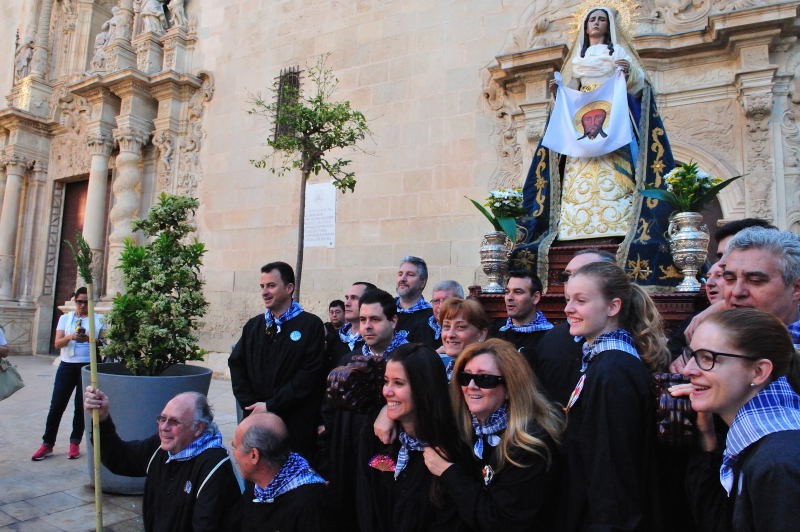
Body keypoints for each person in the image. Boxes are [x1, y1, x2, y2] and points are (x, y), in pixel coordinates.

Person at [514, 6, 675, 289]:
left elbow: (642, 88)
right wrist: (558, 93)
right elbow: (570, 96)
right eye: (592, 20)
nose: (596, 23)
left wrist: (628, 76)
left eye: (601, 19)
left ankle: (618, 226)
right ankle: (573, 228)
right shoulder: (577, 60)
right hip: (581, 129)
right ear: (585, 27)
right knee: (578, 178)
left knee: (614, 175)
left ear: (610, 25)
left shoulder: (620, 56)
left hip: (612, 126)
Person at [561, 261, 669, 531]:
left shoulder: (612, 371)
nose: (568, 309)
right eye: (567, 299)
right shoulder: (604, 362)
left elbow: (612, 466)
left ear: (613, 307)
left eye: (580, 300)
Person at [670, 309, 800, 532]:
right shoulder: (758, 444)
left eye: (707, 358)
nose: (689, 369)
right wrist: (708, 440)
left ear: (759, 371)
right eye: (691, 355)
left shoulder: (777, 463)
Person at [423, 338, 564, 531]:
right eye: (465, 377)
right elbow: (416, 403)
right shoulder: (467, 426)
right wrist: (386, 415)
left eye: (485, 379)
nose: (471, 386)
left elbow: (501, 522)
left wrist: (449, 473)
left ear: (509, 388)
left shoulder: (530, 445)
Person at [84, 388, 240, 531]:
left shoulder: (215, 466)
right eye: (162, 418)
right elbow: (119, 459)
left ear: (198, 428)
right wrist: (102, 418)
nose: (164, 427)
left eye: (174, 421)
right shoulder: (161, 447)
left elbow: (206, 525)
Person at [322, 288, 408, 531]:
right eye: (363, 319)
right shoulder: (348, 360)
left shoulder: (409, 360)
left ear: (393, 321)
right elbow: (330, 412)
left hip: (388, 458)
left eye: (375, 319)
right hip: (347, 456)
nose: (367, 326)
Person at [356, 343, 467, 531]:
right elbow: (366, 503)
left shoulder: (452, 445)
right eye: (386, 381)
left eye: (398, 383)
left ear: (424, 387)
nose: (387, 391)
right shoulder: (375, 434)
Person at [228, 262, 326, 458]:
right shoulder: (254, 326)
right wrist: (252, 406)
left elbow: (309, 375)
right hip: (257, 420)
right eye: (262, 286)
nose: (265, 291)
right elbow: (237, 365)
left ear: (289, 288)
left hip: (295, 425)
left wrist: (272, 405)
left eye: (271, 285)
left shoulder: (310, 325)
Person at [31, 287, 106, 461]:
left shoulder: (99, 320)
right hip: (67, 365)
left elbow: (104, 343)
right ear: (75, 302)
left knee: (81, 407)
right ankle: (47, 443)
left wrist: (89, 339)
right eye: (79, 301)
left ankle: (74, 443)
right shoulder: (65, 319)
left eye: (86, 302)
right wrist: (71, 337)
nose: (82, 305)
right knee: (57, 405)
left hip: (87, 366)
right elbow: (57, 343)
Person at [534, 248, 615, 405]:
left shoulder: (628, 346)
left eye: (582, 274)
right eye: (566, 276)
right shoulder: (552, 339)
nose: (571, 282)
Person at [227, 412, 329, 532]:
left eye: (235, 447)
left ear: (254, 455)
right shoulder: (256, 486)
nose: (233, 453)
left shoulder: (309, 505)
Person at [491, 270, 553, 369]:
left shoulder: (550, 337)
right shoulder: (495, 330)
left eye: (518, 292)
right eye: (507, 292)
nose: (509, 298)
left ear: (535, 297)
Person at [324, 282, 375, 369]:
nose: (346, 303)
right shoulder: (336, 339)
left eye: (354, 298)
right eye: (347, 298)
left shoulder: (375, 341)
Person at [438, 297, 490, 375]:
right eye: (446, 326)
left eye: (460, 327)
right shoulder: (439, 367)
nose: (450, 334)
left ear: (481, 334)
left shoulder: (488, 373)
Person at [395, 256, 436, 347]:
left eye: (410, 274)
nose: (403, 279)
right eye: (400, 274)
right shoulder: (384, 310)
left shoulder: (432, 319)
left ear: (422, 282)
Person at [428, 279, 464, 350]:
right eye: (436, 301)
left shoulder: (468, 326)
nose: (441, 306)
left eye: (446, 300)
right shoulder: (419, 327)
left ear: (461, 301)